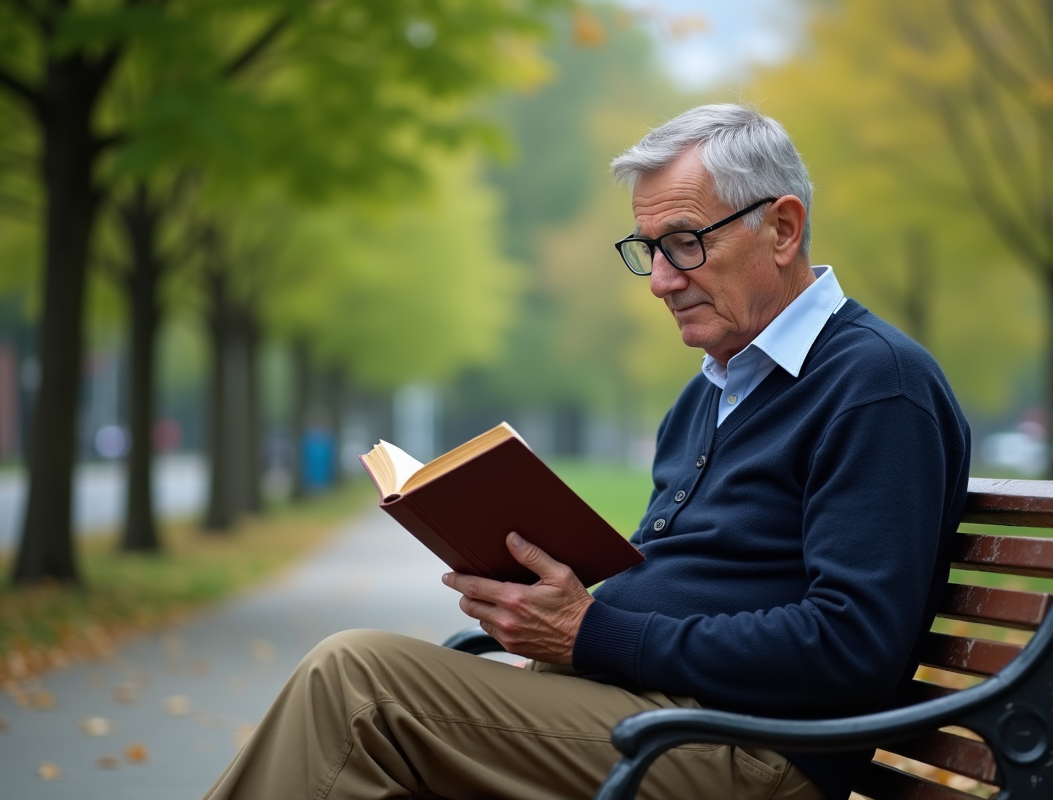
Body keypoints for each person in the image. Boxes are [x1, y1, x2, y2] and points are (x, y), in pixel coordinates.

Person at [200, 104, 971, 800]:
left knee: (356, 682)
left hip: (748, 750)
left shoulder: (876, 385)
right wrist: (545, 604)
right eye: (648, 250)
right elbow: (689, 578)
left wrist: (591, 633)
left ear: (782, 227)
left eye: (684, 244)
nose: (661, 281)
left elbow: (851, 644)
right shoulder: (709, 394)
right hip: (648, 715)